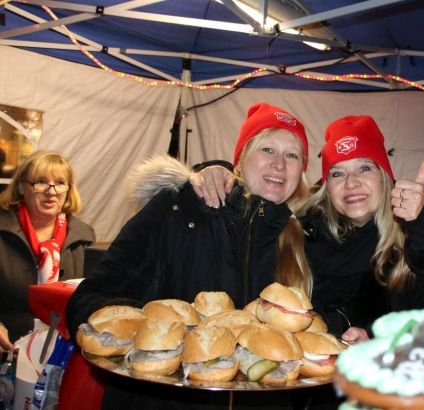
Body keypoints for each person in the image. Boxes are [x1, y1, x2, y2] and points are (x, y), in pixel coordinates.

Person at [65, 102, 312, 409]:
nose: (280, 165)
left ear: (302, 171)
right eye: (267, 150)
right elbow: (89, 299)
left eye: (292, 155)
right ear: (240, 160)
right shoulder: (179, 208)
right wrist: (156, 334)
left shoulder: (297, 240)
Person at [195, 115, 424, 342]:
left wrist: (422, 218)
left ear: (385, 177)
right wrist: (216, 171)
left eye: (364, 168)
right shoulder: (301, 234)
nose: (351, 182)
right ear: (327, 187)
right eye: (337, 173)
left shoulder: (412, 238)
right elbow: (250, 222)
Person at [0, 150, 95, 350]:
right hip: (8, 346)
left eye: (60, 183)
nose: (51, 191)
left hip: (61, 350)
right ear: (21, 187)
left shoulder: (84, 237)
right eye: (40, 181)